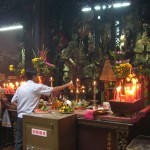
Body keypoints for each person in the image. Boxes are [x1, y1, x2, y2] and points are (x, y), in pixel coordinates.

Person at [11, 69, 73, 150]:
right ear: (33, 76)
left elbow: (12, 101)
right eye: (37, 76)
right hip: (30, 118)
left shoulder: (20, 87)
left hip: (20, 117)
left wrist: (21, 106)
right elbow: (53, 89)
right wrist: (68, 84)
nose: (37, 78)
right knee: (33, 141)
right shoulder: (36, 86)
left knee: (20, 141)